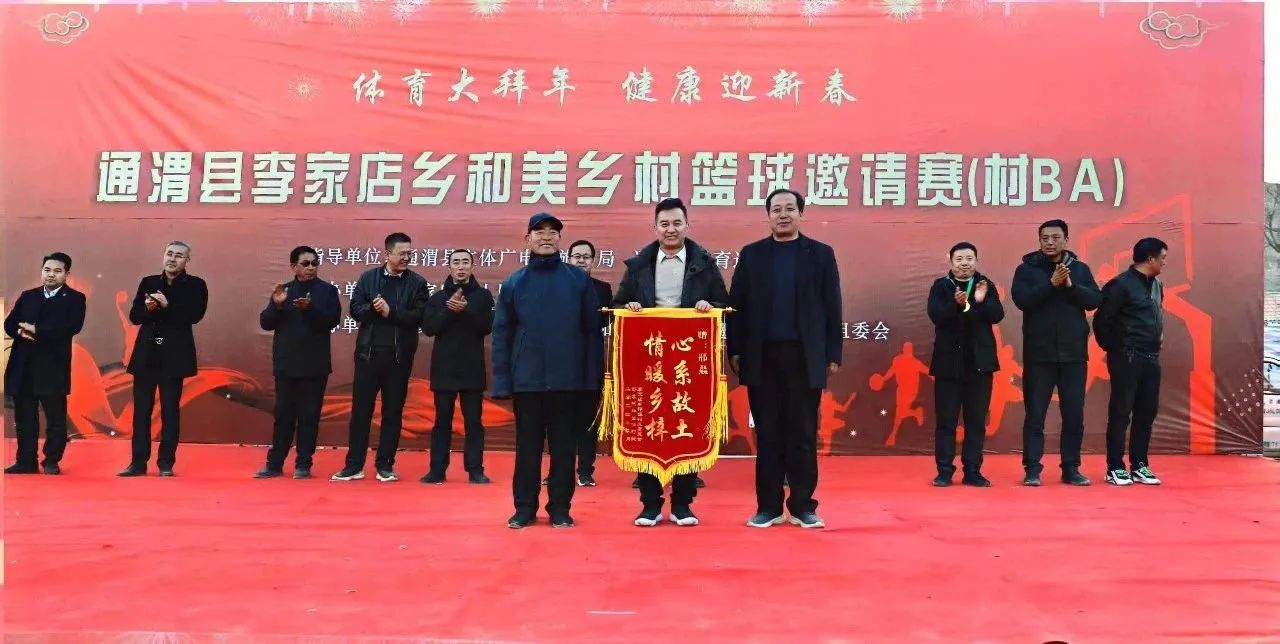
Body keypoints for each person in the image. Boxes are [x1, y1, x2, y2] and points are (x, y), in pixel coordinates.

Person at [729, 189, 842, 529]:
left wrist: (832, 353)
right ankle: (769, 507)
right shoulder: (752, 255)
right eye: (776, 209)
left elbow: (832, 305)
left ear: (800, 214)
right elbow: (737, 306)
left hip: (804, 356)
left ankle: (804, 506)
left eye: (789, 209)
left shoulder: (820, 254)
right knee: (768, 433)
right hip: (762, 356)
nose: (783, 215)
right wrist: (735, 349)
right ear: (768, 216)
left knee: (803, 433)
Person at [613, 197, 727, 527]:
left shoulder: (704, 263)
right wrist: (630, 307)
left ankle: (682, 504)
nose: (671, 229)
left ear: (687, 225)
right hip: (648, 359)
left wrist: (708, 306)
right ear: (655, 228)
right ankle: (650, 505)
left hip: (688, 361)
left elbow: (723, 302)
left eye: (677, 223)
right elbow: (618, 304)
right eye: (664, 224)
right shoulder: (639, 265)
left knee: (687, 425)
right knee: (647, 428)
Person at [492, 213, 602, 529]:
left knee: (564, 449)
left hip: (568, 382)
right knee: (527, 450)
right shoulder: (515, 282)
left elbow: (591, 332)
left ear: (559, 240)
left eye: (553, 232)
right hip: (527, 382)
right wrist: (503, 381)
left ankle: (560, 508)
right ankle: (524, 508)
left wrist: (590, 381)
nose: (546, 237)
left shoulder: (577, 280)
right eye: (539, 232)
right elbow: (502, 334)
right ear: (527, 239)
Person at [331, 233, 429, 483]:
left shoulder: (417, 283)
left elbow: (419, 317)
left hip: (398, 358)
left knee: (392, 413)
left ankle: (385, 465)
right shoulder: (368, 278)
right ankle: (354, 465)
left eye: (409, 253)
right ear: (387, 254)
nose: (406, 258)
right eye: (401, 253)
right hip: (368, 356)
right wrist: (373, 310)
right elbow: (355, 310)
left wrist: (390, 312)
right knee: (361, 413)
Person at [1011, 219, 1102, 486]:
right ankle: (1032, 469)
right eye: (1045, 238)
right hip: (1039, 355)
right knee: (1035, 415)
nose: (1050, 242)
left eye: (1055, 237)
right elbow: (1022, 300)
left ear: (1066, 240)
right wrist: (1050, 284)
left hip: (1074, 355)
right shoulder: (1026, 269)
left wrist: (1071, 286)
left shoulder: (1080, 269)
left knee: (1073, 415)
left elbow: (1095, 300)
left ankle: (1071, 468)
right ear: (1039, 241)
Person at [118, 241, 209, 477]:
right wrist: (148, 309)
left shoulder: (196, 285)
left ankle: (166, 463)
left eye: (179, 255)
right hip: (146, 354)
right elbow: (135, 316)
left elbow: (195, 315)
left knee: (170, 411)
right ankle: (138, 463)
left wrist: (168, 306)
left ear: (187, 261)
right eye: (169, 254)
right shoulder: (149, 282)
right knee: (141, 412)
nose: (172, 259)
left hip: (174, 356)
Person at [255, 246, 341, 479]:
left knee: (309, 418)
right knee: (283, 417)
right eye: (305, 263)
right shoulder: (283, 291)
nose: (311, 267)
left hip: (315, 366)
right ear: (294, 267)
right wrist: (277, 305)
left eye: (314, 263)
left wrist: (310, 309)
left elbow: (332, 320)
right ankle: (274, 464)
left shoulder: (328, 291)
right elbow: (266, 323)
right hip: (286, 365)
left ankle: (303, 464)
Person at [926, 242, 1005, 487]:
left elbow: (997, 315)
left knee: (976, 421)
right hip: (948, 365)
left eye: (969, 258)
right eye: (959, 259)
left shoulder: (985, 284)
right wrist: (956, 304)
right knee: (946, 422)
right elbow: (936, 316)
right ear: (950, 261)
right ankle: (944, 471)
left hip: (979, 364)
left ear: (976, 261)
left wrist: (979, 301)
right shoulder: (941, 286)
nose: (964, 263)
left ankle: (973, 471)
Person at [1093, 237, 1168, 486]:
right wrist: (1117, 349)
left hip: (1151, 357)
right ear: (1150, 259)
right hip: (1127, 357)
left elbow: (1157, 315)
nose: (1164, 263)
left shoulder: (1157, 285)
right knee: (1121, 411)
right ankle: (1115, 466)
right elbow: (1102, 322)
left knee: (1146, 412)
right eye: (1162, 258)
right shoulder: (1120, 285)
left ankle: (1139, 465)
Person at [4, 252, 86, 475]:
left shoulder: (75, 299)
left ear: (67, 274)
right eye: (47, 270)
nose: (51, 275)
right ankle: (25, 461)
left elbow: (72, 327)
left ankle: (51, 460)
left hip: (52, 367)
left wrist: (37, 331)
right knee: (24, 417)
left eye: (57, 271)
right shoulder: (28, 296)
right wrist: (21, 331)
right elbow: (10, 323)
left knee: (55, 418)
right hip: (24, 365)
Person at [420, 249, 495, 485]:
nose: (461, 267)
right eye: (456, 262)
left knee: (473, 422)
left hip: (472, 367)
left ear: (472, 266)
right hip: (444, 368)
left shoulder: (483, 296)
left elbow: (487, 327)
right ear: (449, 266)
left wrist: (466, 310)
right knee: (442, 421)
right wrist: (449, 310)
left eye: (465, 262)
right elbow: (429, 328)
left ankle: (475, 469)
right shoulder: (437, 298)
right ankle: (437, 470)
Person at [560, 239, 613, 487]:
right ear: (568, 259)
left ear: (593, 261)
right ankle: (558, 471)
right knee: (560, 421)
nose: (581, 261)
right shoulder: (557, 286)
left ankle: (585, 471)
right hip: (561, 362)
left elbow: (604, 321)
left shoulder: (602, 289)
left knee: (588, 420)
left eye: (586, 257)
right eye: (577, 256)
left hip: (590, 363)